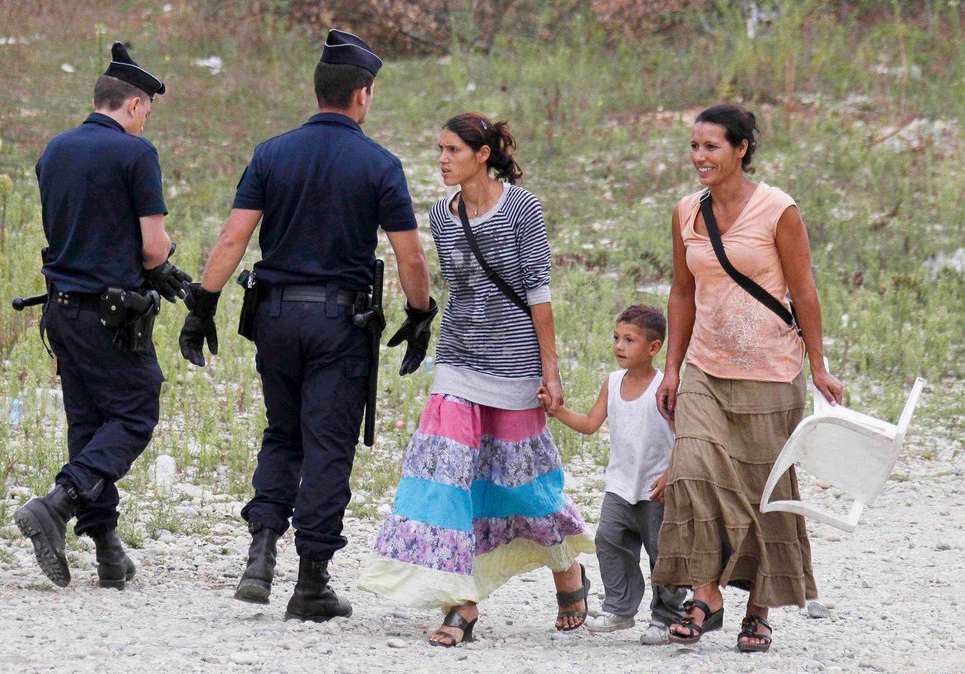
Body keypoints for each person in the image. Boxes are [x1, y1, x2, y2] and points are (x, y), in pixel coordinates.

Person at [177, 30, 434, 622]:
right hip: (339, 324)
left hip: (273, 316)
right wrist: (419, 316)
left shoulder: (271, 153)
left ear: (317, 91)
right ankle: (312, 579)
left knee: (282, 434)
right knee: (328, 446)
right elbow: (410, 257)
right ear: (362, 95)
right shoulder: (379, 164)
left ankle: (260, 552)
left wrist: (202, 306)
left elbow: (233, 238)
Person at [359, 112, 594, 647]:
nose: (442, 160)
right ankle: (460, 603)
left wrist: (550, 370)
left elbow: (538, 290)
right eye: (439, 150)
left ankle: (567, 568)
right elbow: (459, 291)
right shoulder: (441, 214)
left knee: (525, 483)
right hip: (458, 361)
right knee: (446, 479)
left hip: (515, 365)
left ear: (482, 153)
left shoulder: (522, 208)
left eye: (452, 150)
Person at [652, 103, 844, 653]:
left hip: (770, 370)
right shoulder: (687, 210)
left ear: (741, 149)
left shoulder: (777, 209)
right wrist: (671, 367)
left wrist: (819, 364)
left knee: (766, 490)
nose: (699, 157)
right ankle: (707, 592)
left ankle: (758, 610)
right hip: (706, 367)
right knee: (692, 471)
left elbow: (803, 290)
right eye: (694, 146)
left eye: (711, 146)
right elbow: (682, 291)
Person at [15, 41, 190, 590]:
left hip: (61, 312)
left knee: (89, 423)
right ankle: (58, 503)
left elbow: (78, 228)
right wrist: (158, 265)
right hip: (110, 316)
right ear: (135, 106)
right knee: (136, 412)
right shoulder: (136, 155)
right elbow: (154, 247)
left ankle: (109, 553)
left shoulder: (56, 149)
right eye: (146, 113)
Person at [537, 304, 686, 644]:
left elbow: (684, 437)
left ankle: (667, 616)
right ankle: (620, 608)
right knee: (609, 540)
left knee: (663, 552)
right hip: (620, 485)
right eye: (617, 337)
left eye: (630, 340)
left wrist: (671, 475)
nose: (619, 346)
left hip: (657, 487)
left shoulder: (666, 387)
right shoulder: (612, 382)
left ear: (654, 348)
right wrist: (557, 411)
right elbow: (590, 424)